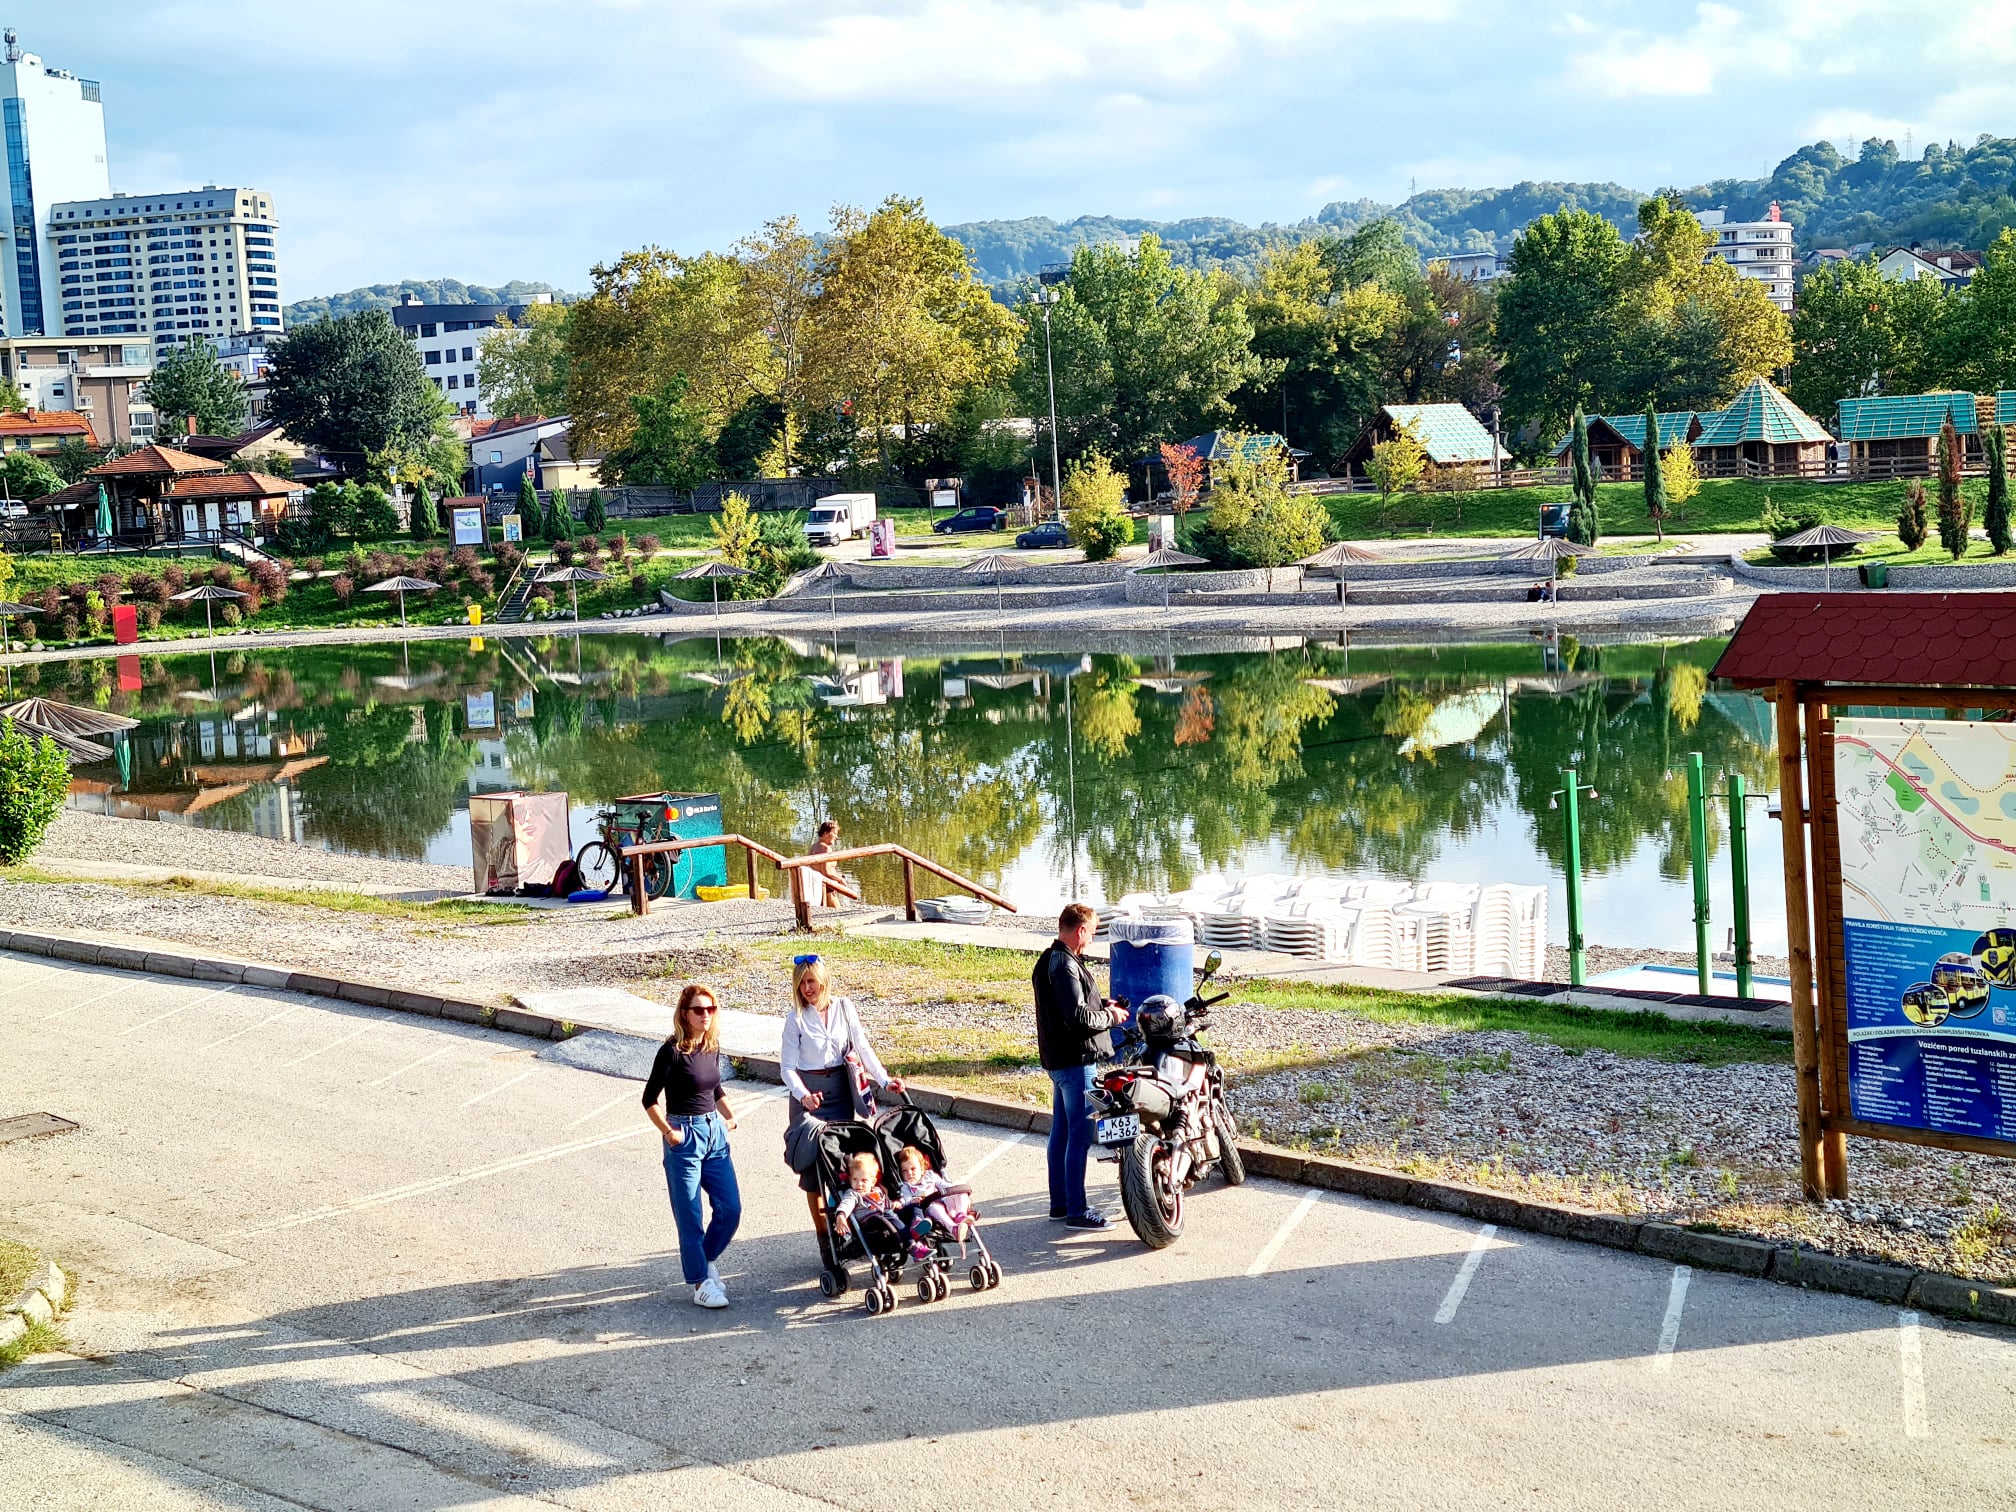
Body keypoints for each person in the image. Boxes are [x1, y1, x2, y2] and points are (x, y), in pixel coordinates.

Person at [781, 955, 903, 1230]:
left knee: (843, 1162)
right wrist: (803, 1095)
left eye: (811, 981)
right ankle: (823, 1234)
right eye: (801, 984)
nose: (807, 988)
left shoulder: (844, 1007)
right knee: (812, 1171)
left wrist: (884, 1081)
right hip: (809, 1095)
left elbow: (862, 1046)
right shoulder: (796, 1018)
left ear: (823, 980)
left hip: (839, 1090)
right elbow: (787, 1068)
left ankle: (850, 1221)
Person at [642, 983, 742, 1309]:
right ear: (684, 1014)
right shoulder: (671, 1052)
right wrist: (670, 1133)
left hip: (714, 1132)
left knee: (730, 1209)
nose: (706, 1015)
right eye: (699, 1010)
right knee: (690, 1216)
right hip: (683, 1134)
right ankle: (700, 1283)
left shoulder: (711, 1046)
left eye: (711, 1009)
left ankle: (705, 1259)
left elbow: (714, 1088)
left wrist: (730, 1115)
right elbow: (649, 1100)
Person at [1034, 902, 1128, 1230]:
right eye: (1092, 933)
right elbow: (1077, 1018)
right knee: (1080, 1135)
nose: (1091, 940)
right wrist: (1110, 1018)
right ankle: (1077, 1210)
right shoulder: (1064, 965)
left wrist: (1103, 1004)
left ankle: (1059, 1205)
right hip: (1076, 1063)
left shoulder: (1050, 959)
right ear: (1081, 930)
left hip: (1060, 1062)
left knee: (1061, 1133)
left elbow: (1069, 1007)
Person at [895, 1143, 974, 1256]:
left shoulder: (930, 1176)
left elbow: (944, 1185)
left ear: (922, 1168)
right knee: (934, 1206)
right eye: (905, 1171)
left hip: (945, 1202)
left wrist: (955, 1189)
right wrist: (911, 1201)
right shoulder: (906, 1186)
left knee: (960, 1191)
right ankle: (954, 1229)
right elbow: (906, 1200)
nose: (910, 1173)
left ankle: (961, 1215)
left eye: (913, 1169)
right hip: (930, 1208)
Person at [806, 819, 843, 908]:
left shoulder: (813, 847)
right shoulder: (826, 849)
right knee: (837, 912)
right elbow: (825, 872)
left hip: (816, 886)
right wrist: (841, 880)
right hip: (827, 887)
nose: (836, 837)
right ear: (826, 833)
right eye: (834, 833)